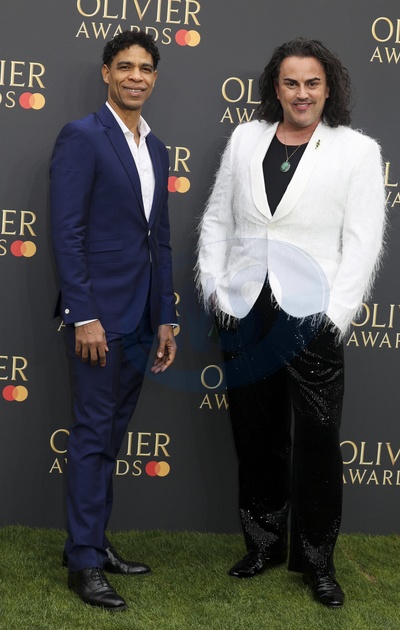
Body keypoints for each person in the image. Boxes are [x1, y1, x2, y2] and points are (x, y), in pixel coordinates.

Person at [196, 38, 385, 608]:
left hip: (312, 317)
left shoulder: (357, 151)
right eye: (290, 82)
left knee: (319, 441)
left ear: (329, 88)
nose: (301, 93)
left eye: (312, 83)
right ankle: (263, 545)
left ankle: (317, 562)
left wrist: (335, 315)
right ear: (274, 88)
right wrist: (216, 287)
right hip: (245, 308)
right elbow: (217, 218)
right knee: (256, 435)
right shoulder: (245, 139)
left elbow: (362, 243)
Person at [50, 30, 177, 612]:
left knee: (111, 437)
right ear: (106, 73)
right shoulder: (82, 136)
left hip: (142, 318)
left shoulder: (157, 148)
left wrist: (167, 317)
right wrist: (83, 315)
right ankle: (83, 562)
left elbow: (161, 240)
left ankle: (94, 542)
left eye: (145, 68)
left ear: (155, 77)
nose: (135, 77)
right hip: (98, 319)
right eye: (124, 67)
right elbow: (66, 232)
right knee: (91, 435)